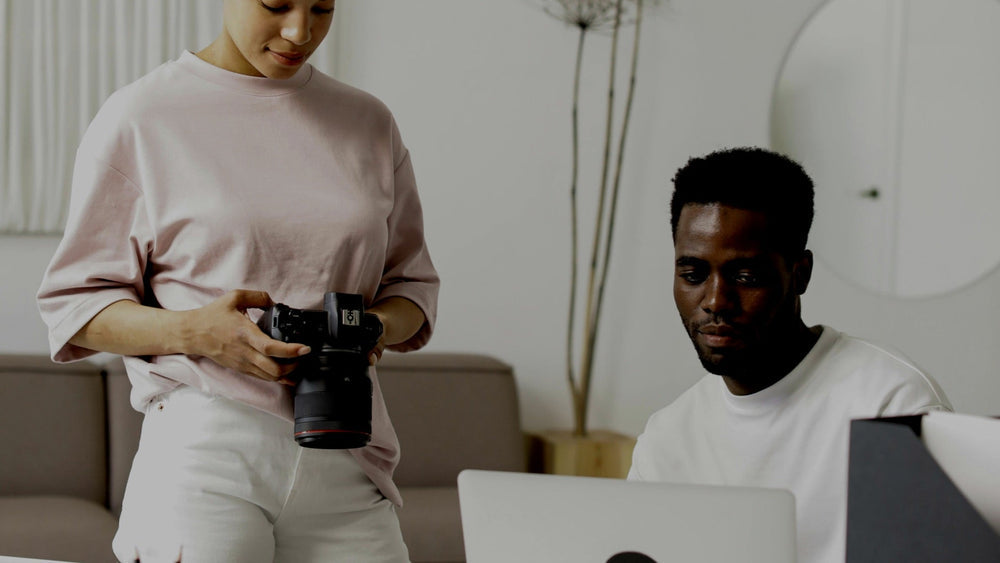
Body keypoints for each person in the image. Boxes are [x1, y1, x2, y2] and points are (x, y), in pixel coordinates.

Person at [36, 1, 438, 561]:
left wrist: (370, 328)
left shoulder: (368, 122)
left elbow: (412, 287)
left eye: (322, 8)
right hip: (205, 451)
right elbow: (76, 304)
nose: (300, 31)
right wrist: (198, 332)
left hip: (347, 443)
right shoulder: (142, 116)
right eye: (275, 4)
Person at [627, 147, 951, 563]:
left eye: (745, 277)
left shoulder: (892, 404)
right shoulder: (667, 440)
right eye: (693, 275)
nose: (714, 300)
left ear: (799, 274)